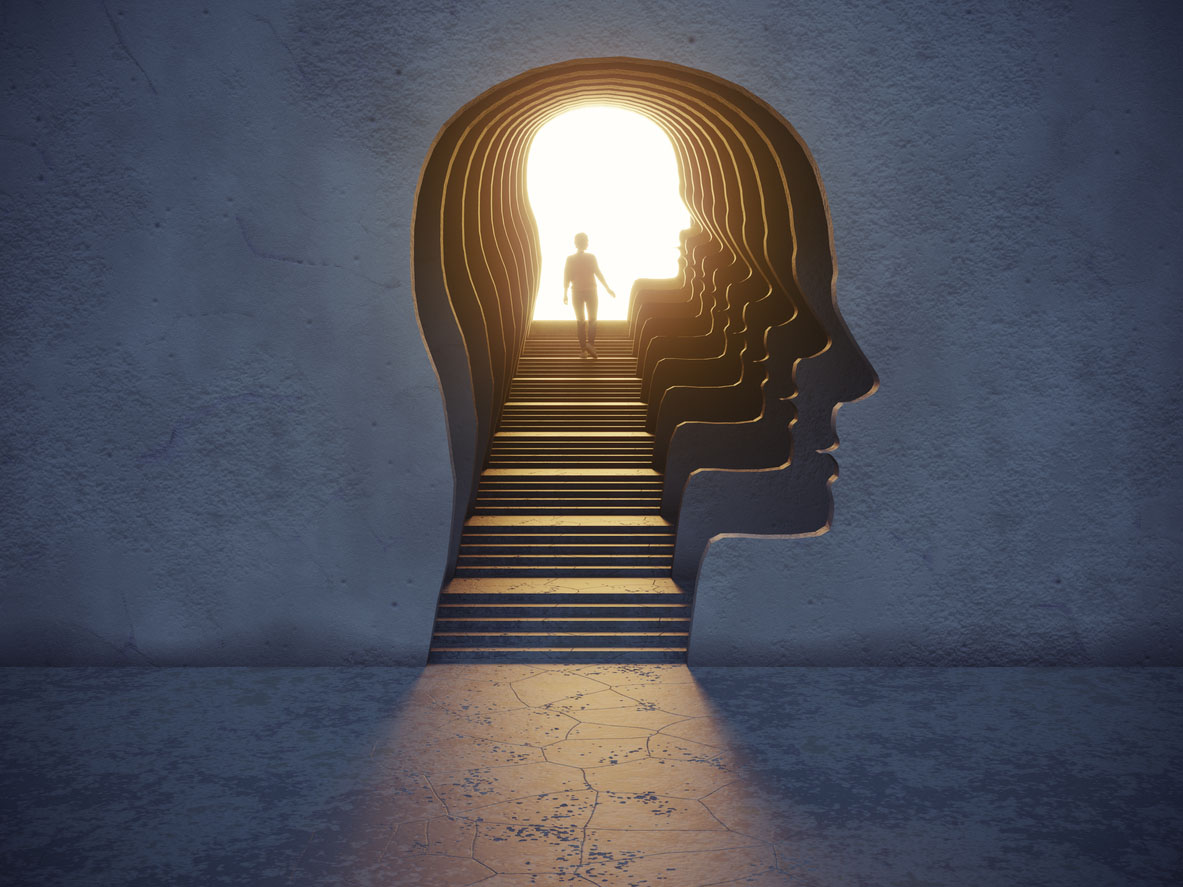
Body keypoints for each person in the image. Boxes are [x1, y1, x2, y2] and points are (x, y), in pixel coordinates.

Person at [563, 232, 615, 357]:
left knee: (580, 321)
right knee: (592, 319)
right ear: (584, 242)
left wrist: (565, 293)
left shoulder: (570, 259)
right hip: (591, 291)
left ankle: (583, 350)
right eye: (587, 241)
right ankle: (590, 344)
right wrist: (607, 288)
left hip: (576, 292)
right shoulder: (591, 257)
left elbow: (566, 277)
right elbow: (598, 273)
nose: (587, 243)